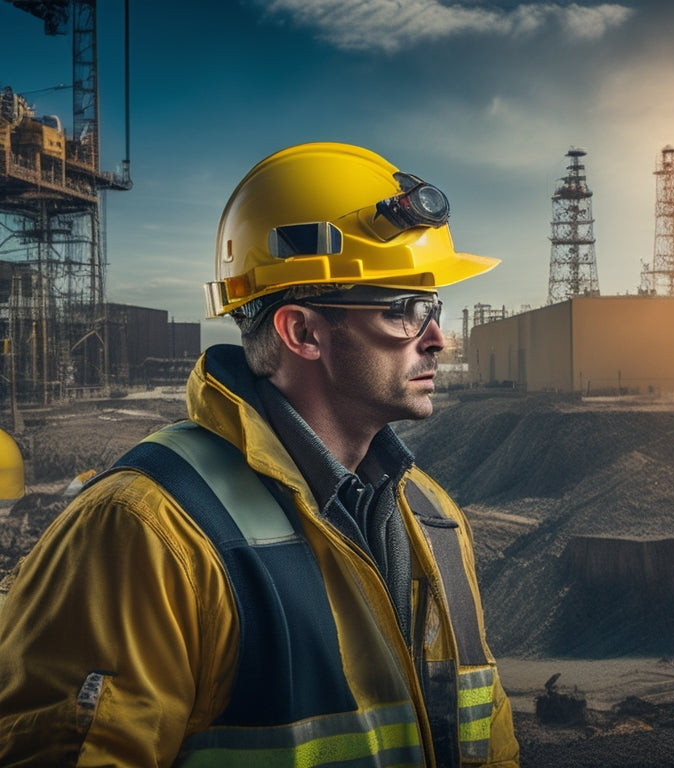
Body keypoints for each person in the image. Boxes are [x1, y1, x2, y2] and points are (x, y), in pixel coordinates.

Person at [0, 142, 520, 767]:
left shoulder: (434, 520)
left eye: (434, 308)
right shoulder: (146, 534)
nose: (438, 338)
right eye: (406, 310)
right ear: (301, 332)